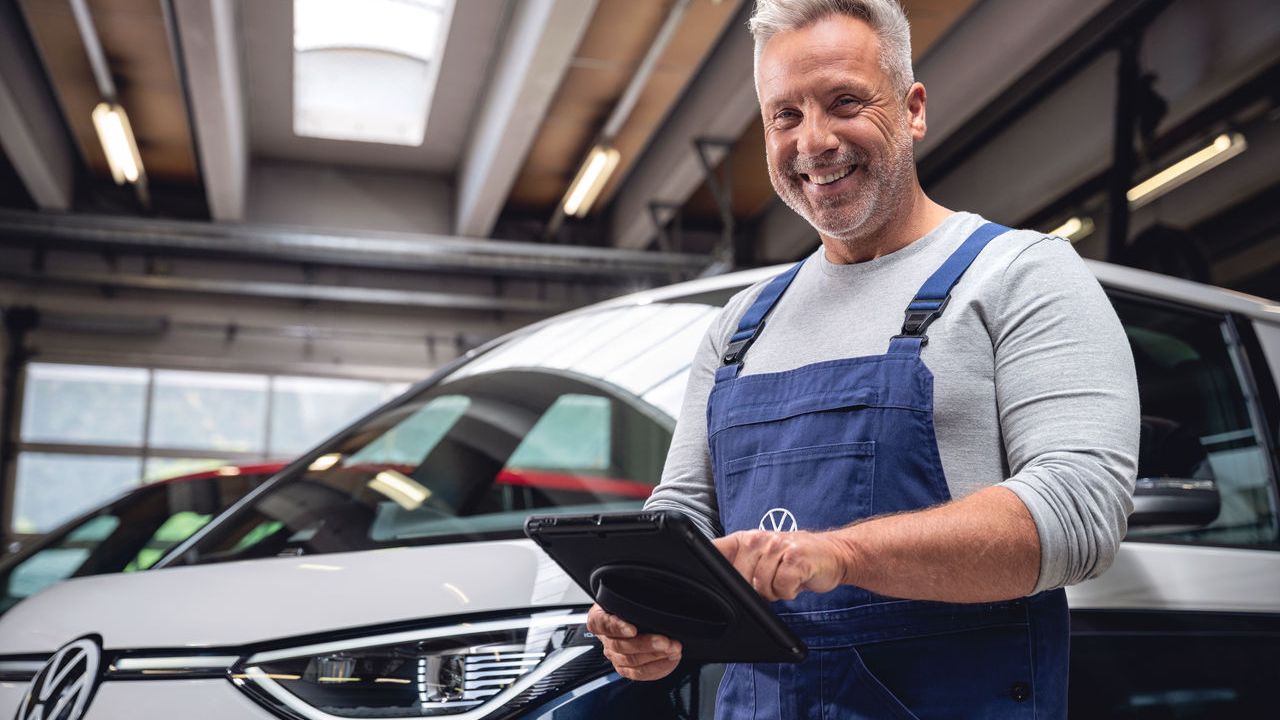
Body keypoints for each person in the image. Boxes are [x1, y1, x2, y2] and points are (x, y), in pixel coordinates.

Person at [586, 0, 1140, 718]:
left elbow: (1080, 513)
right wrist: (650, 612)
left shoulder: (1019, 275)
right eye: (785, 116)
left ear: (912, 110)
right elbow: (685, 514)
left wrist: (839, 556)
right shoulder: (742, 325)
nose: (813, 141)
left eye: (844, 102)